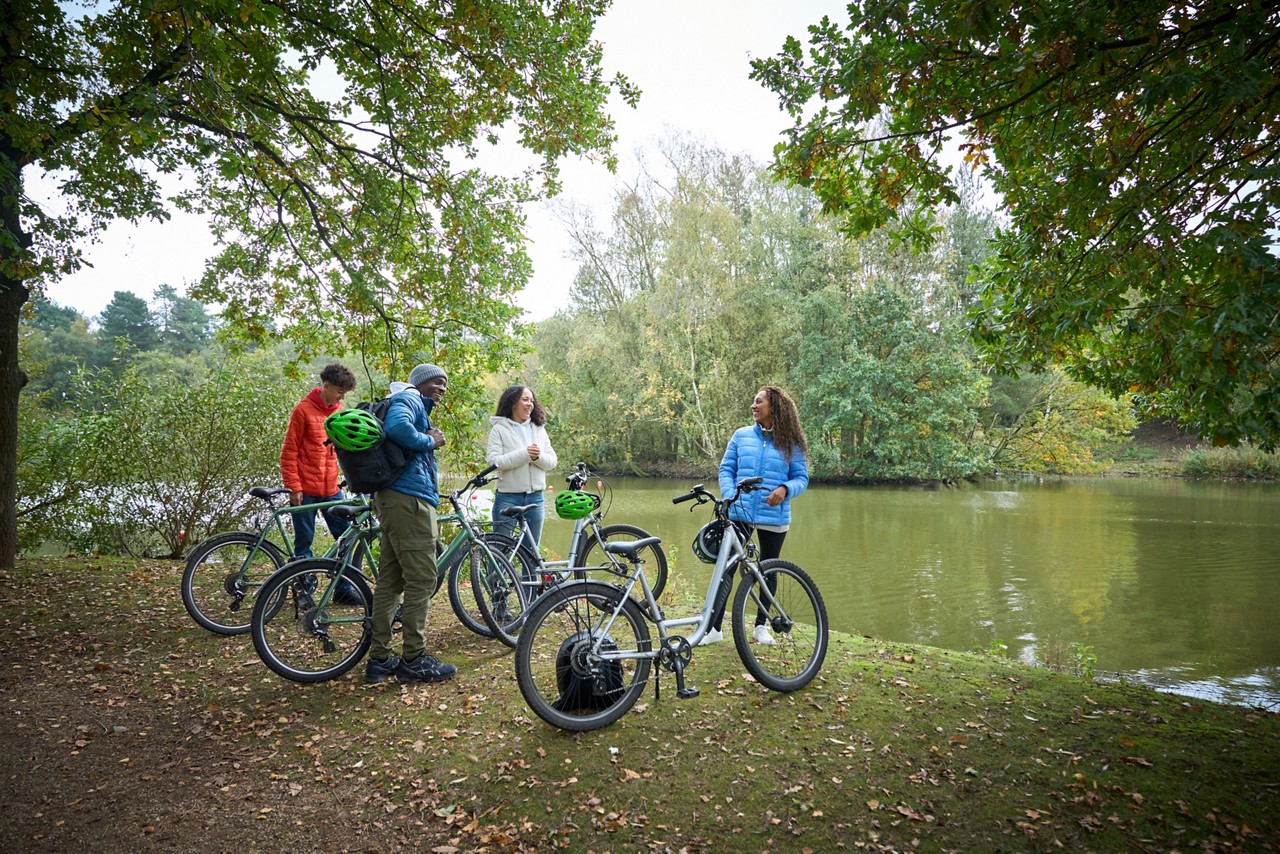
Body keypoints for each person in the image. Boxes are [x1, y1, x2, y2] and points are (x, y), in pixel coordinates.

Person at [364, 363, 457, 684]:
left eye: (445, 383)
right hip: (408, 500)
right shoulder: (411, 399)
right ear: (420, 382)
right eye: (436, 381)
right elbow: (398, 428)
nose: (442, 387)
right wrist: (430, 441)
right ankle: (414, 658)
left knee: (391, 581)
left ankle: (379, 659)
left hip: (393, 499)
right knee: (422, 579)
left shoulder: (413, 401)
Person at [701, 385, 809, 646]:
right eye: (754, 401)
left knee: (768, 570)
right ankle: (714, 629)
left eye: (758, 401)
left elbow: (801, 478)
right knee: (726, 567)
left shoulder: (791, 443)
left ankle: (761, 626)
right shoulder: (741, 436)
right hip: (740, 512)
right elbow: (726, 469)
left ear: (774, 406)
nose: (754, 405)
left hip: (775, 516)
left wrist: (785, 488)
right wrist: (729, 495)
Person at [280, 362, 357, 559]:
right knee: (304, 541)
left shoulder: (341, 412)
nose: (341, 396)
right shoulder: (302, 410)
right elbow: (289, 452)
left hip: (332, 489)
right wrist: (294, 487)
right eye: (339, 391)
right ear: (327, 386)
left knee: (345, 537)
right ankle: (304, 586)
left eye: (345, 393)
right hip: (305, 489)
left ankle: (344, 587)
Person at [486, 385, 558, 552]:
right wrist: (525, 454)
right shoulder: (499, 429)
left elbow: (553, 461)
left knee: (531, 552)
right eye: (525, 399)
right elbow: (494, 462)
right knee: (499, 552)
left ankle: (530, 579)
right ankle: (494, 580)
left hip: (536, 499)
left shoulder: (539, 429)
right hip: (507, 498)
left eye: (531, 400)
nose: (529, 404)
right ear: (512, 403)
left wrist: (537, 457)